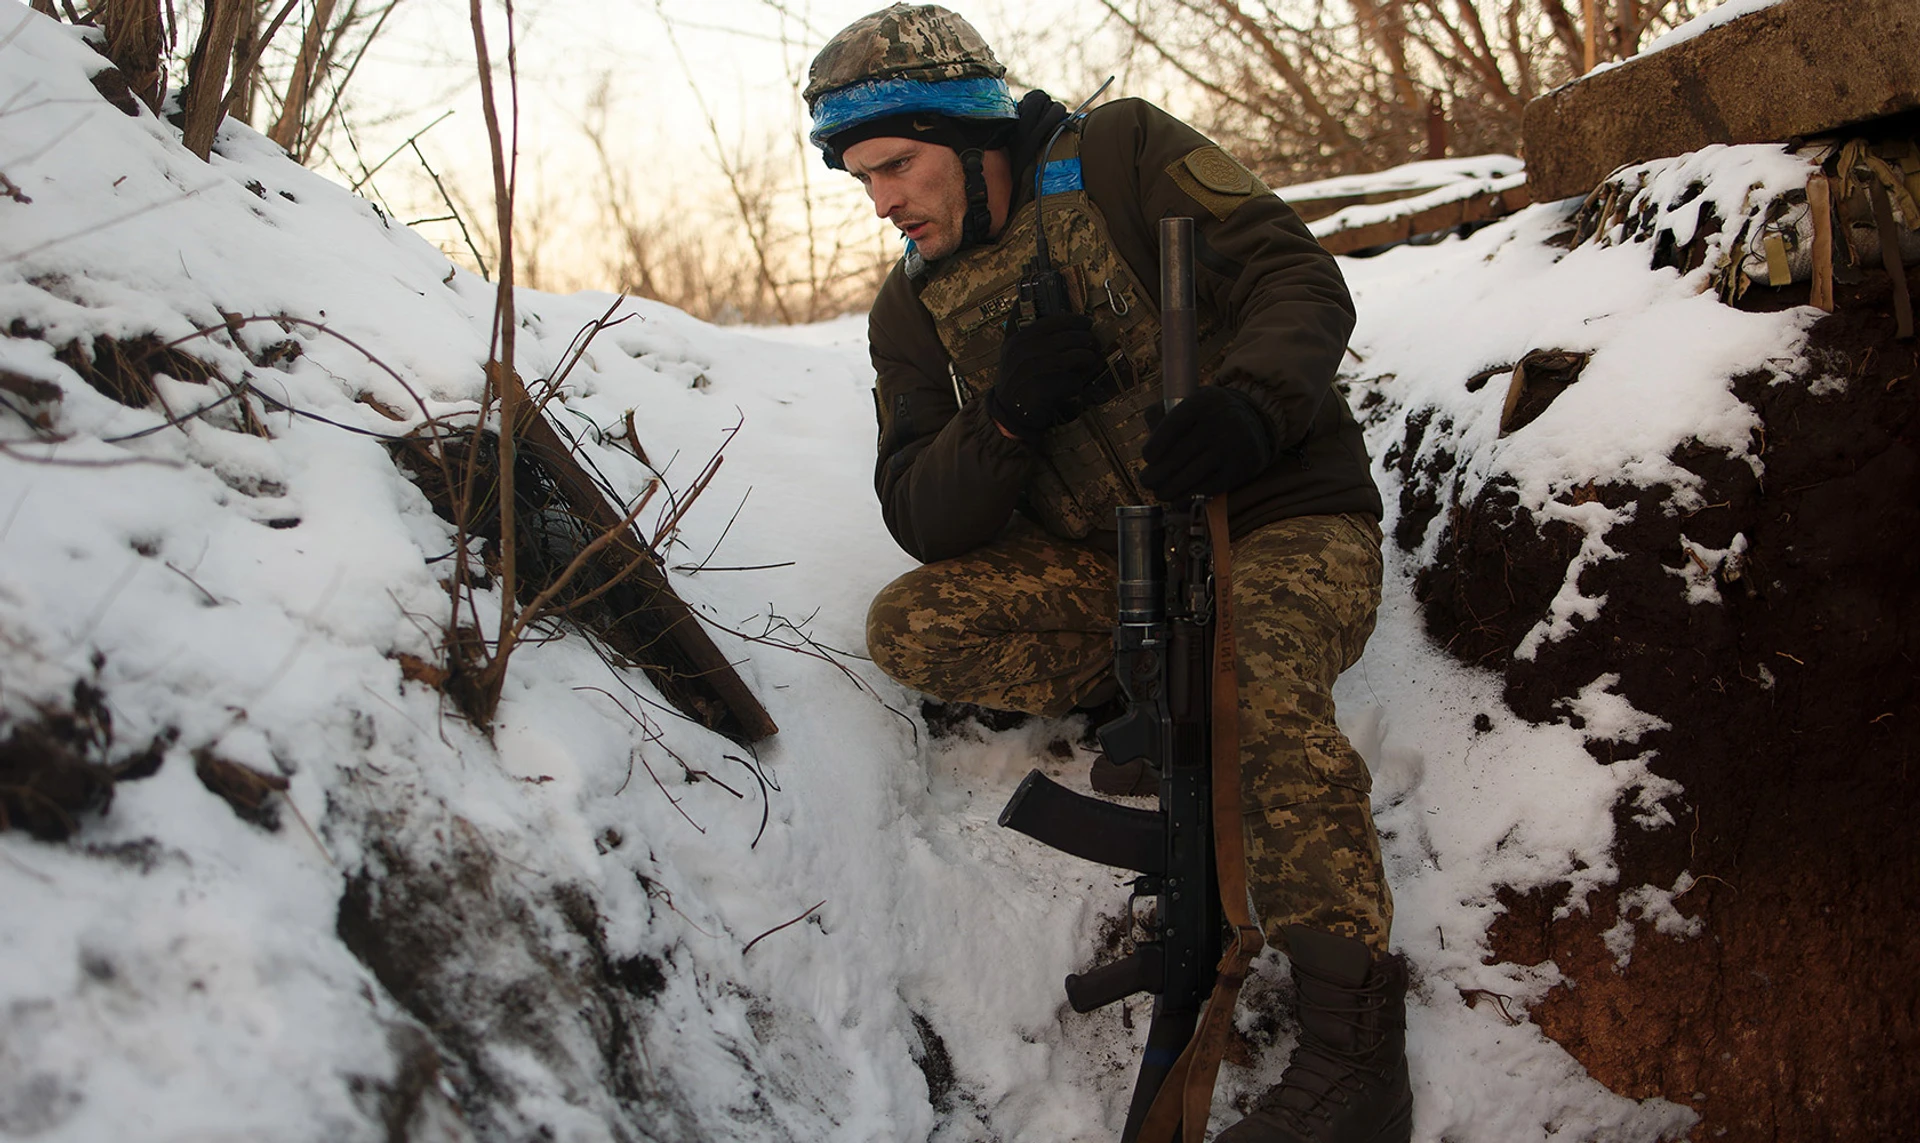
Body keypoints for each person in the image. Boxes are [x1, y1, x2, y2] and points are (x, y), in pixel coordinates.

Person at [805, 6, 1409, 1141]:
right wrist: (1006, 418)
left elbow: (1296, 276)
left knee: (1256, 684)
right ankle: (1140, 683)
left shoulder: (1123, 152)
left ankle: (1355, 1057)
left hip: (1275, 521)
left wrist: (1250, 407)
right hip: (1115, 571)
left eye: (895, 165)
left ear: (969, 135)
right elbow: (920, 513)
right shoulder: (913, 305)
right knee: (914, 626)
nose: (881, 201)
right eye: (861, 177)